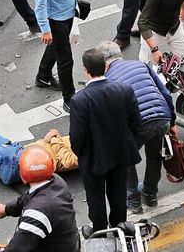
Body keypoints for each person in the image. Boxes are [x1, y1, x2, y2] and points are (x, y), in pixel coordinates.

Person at [69, 48, 142, 237]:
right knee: (118, 193)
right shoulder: (124, 90)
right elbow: (136, 123)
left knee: (95, 197)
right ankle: (119, 227)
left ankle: (99, 231)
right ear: (105, 67)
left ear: (86, 70)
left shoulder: (79, 100)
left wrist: (82, 155)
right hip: (120, 154)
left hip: (93, 159)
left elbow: (77, 137)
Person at [98, 41, 176, 213]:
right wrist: (173, 122)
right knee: (155, 155)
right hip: (162, 118)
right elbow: (165, 93)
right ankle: (150, 194)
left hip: (139, 124)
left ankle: (133, 201)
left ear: (104, 63)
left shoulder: (106, 80)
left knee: (125, 159)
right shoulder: (141, 65)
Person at [35, 0, 89, 111]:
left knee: (57, 45)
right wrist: (45, 28)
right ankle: (69, 98)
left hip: (68, 13)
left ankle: (43, 75)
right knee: (65, 60)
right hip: (56, 18)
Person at [0, 145, 80, 251]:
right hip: (68, 243)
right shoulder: (56, 181)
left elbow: (17, 248)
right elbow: (29, 196)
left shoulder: (37, 213)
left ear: (23, 175)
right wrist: (6, 209)